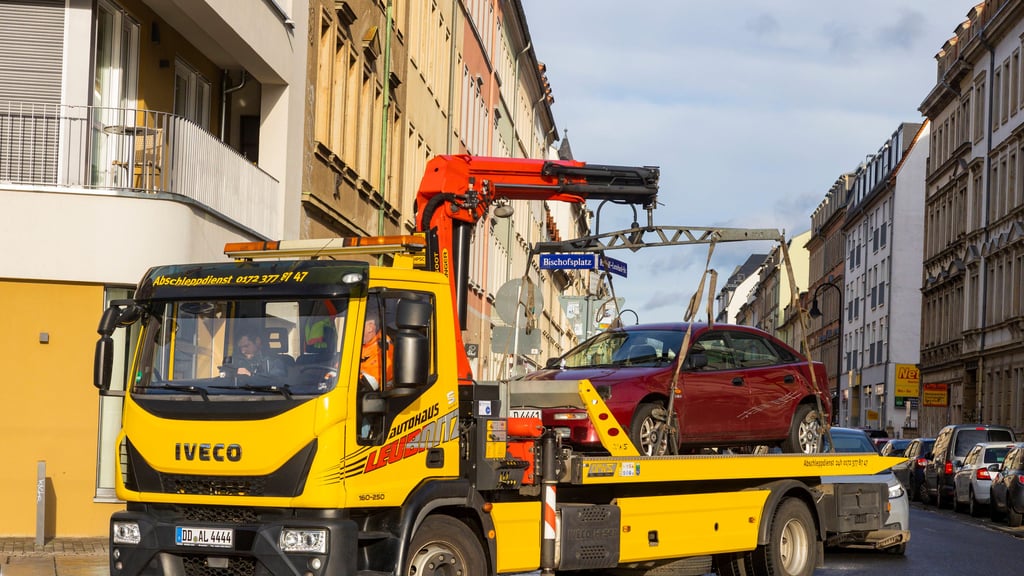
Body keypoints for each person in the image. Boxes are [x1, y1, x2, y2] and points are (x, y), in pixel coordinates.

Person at [359, 312, 393, 390]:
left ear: (370, 327)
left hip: (375, 397)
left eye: (358, 324)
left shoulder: (384, 346)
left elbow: (372, 383)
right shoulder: (363, 345)